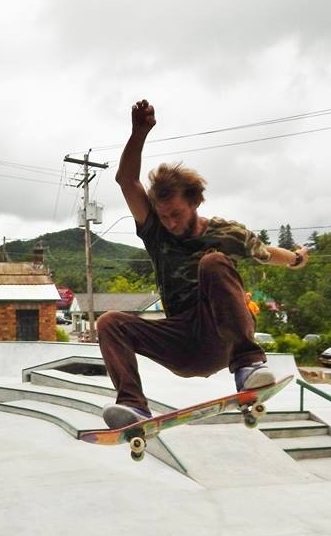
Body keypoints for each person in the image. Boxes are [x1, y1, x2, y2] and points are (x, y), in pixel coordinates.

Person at [98, 98, 309, 429]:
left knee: (213, 263)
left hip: (219, 338)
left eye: (176, 214)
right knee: (110, 322)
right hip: (181, 343)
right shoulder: (155, 230)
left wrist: (296, 259)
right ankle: (133, 406)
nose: (169, 223)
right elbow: (127, 181)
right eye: (164, 215)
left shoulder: (227, 233)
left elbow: (265, 252)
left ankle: (249, 366)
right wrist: (139, 132)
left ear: (195, 202)